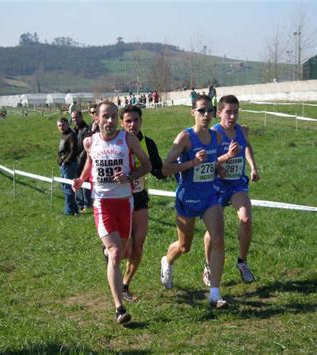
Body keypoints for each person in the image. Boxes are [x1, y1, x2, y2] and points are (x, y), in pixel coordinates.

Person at [72, 101, 151, 324]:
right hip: (102, 204)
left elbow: (146, 165)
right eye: (105, 116)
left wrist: (130, 177)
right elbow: (90, 163)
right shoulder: (90, 141)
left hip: (125, 203)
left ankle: (108, 254)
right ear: (96, 118)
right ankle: (119, 308)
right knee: (117, 251)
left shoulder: (128, 139)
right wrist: (81, 179)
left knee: (124, 252)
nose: (110, 121)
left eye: (114, 116)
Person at [160, 94, 228, 309]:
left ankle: (215, 294)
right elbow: (165, 168)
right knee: (184, 246)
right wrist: (191, 162)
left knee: (218, 239)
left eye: (210, 110)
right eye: (201, 111)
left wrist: (219, 168)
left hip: (209, 195)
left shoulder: (216, 137)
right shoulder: (185, 138)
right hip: (188, 197)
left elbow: (213, 160)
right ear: (193, 113)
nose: (206, 114)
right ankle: (167, 261)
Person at [203, 95, 260, 287]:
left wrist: (253, 167)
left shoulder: (242, 131)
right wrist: (226, 157)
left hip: (236, 184)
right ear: (219, 113)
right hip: (217, 185)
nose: (233, 116)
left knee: (246, 219)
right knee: (214, 230)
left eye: (236, 112)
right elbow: (208, 162)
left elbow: (247, 147)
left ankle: (242, 262)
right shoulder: (213, 134)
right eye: (228, 112)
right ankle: (208, 265)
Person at [119, 105, 165, 302]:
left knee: (138, 244)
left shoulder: (148, 143)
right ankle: (110, 252)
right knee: (124, 249)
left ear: (141, 121)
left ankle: (124, 285)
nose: (132, 125)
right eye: (128, 121)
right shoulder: (116, 143)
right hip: (119, 199)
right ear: (122, 122)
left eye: (135, 120)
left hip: (139, 198)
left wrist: (182, 168)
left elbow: (158, 168)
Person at [57, 118, 79, 216]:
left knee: (68, 188)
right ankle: (74, 209)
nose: (61, 127)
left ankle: (69, 211)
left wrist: (66, 161)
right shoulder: (63, 135)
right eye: (59, 126)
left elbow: (74, 150)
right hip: (63, 165)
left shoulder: (71, 135)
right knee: (66, 187)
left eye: (63, 125)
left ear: (67, 124)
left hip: (69, 165)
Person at [73, 111, 92, 212]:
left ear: (81, 117)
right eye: (73, 118)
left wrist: (79, 160)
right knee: (77, 181)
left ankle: (87, 203)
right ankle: (80, 203)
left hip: (84, 160)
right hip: (75, 159)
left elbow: (85, 148)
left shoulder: (86, 129)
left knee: (85, 181)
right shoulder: (74, 130)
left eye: (76, 117)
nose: (74, 119)